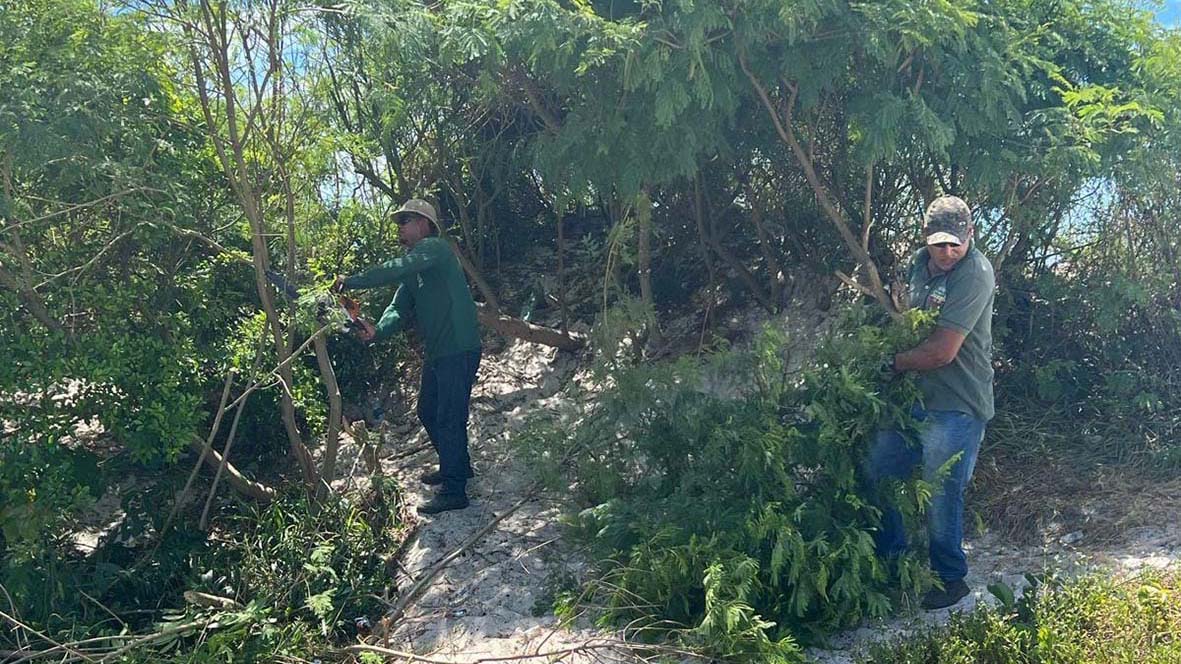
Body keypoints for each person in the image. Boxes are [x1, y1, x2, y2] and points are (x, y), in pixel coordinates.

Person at [868, 195, 995, 610]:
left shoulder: (974, 274)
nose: (947, 252)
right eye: (938, 243)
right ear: (925, 239)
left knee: (941, 492)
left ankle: (949, 579)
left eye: (955, 243)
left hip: (956, 402)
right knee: (878, 472)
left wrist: (892, 363)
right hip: (913, 398)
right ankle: (894, 567)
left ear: (970, 235)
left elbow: (942, 351)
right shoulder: (916, 265)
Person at [335, 199, 481, 515]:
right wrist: (377, 332)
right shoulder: (414, 266)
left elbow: (397, 269)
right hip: (440, 352)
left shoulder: (436, 249)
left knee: (449, 417)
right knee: (428, 411)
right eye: (398, 221)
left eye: (405, 219)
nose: (399, 226)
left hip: (460, 348)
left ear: (424, 224)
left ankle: (455, 491)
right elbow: (398, 309)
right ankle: (457, 466)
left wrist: (352, 280)